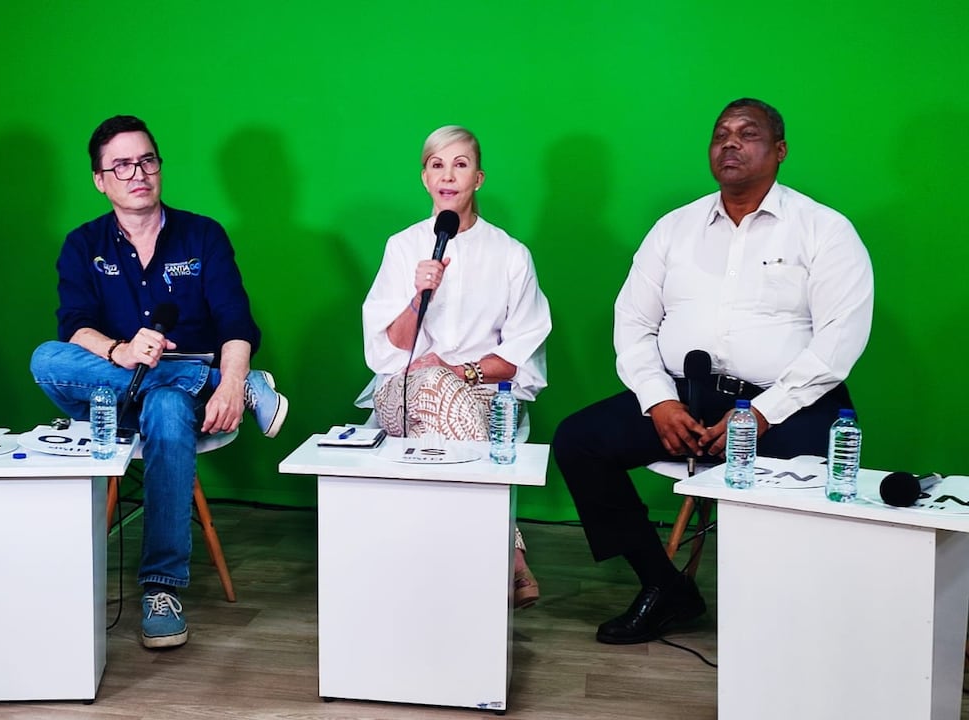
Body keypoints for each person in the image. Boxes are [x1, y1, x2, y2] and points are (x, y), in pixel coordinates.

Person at [553, 98, 874, 644]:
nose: (730, 142)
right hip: (687, 397)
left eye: (747, 133)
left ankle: (798, 620)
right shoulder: (674, 229)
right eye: (720, 133)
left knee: (819, 481)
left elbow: (839, 341)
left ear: (779, 150)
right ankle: (665, 587)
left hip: (788, 404)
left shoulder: (824, 230)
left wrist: (763, 416)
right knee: (579, 440)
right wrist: (659, 401)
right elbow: (631, 323)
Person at [30, 114, 286, 650]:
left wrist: (231, 382)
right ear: (100, 180)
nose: (138, 173)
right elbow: (73, 327)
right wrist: (120, 352)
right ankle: (202, 376)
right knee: (46, 358)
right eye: (121, 165)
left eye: (147, 160)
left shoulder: (203, 235)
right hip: (110, 390)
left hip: (186, 399)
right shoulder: (82, 244)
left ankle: (160, 589)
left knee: (167, 409)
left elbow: (236, 323)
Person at [360, 125, 553, 609]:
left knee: (443, 393)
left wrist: (456, 371)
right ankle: (506, 556)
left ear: (479, 178)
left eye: (460, 164)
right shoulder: (403, 247)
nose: (448, 175)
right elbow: (389, 353)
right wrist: (418, 296)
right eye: (437, 164)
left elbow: (519, 358)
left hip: (483, 393)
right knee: (427, 386)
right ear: (424, 177)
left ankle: (438, 567)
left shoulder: (510, 255)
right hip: (401, 391)